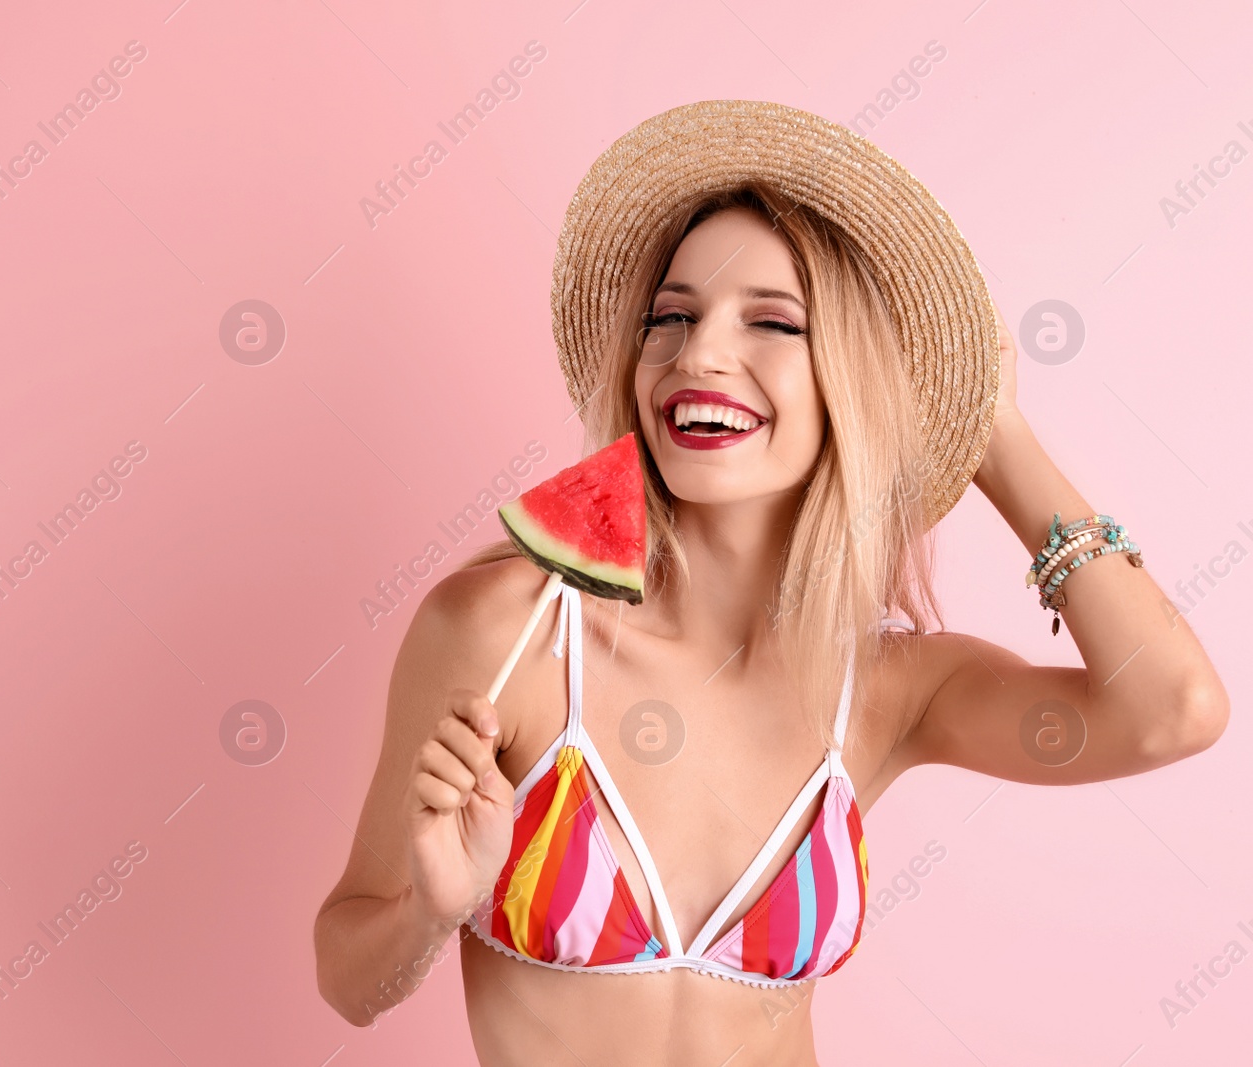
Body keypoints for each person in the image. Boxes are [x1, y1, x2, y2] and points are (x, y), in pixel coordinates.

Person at [313, 100, 1229, 1065]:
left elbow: (1173, 709)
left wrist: (990, 430)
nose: (698, 353)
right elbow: (348, 983)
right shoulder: (508, 632)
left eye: (772, 322)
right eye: (671, 316)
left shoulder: (883, 690)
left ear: (852, 381)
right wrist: (430, 907)